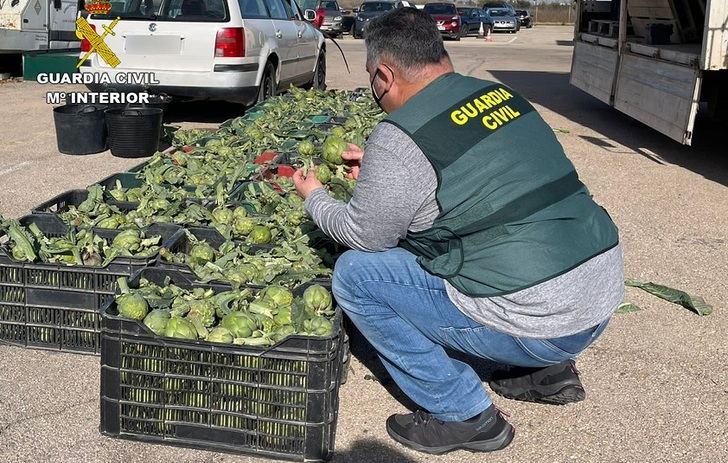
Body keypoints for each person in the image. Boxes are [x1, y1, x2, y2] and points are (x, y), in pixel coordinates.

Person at [292, 7, 624, 455]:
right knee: (511, 233)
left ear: (385, 75)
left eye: (371, 75)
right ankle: (545, 374)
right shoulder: (498, 96)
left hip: (541, 323)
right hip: (597, 298)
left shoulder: (399, 135)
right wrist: (381, 177)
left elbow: (365, 237)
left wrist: (314, 195)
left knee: (356, 275)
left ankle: (465, 415)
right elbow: (488, 189)